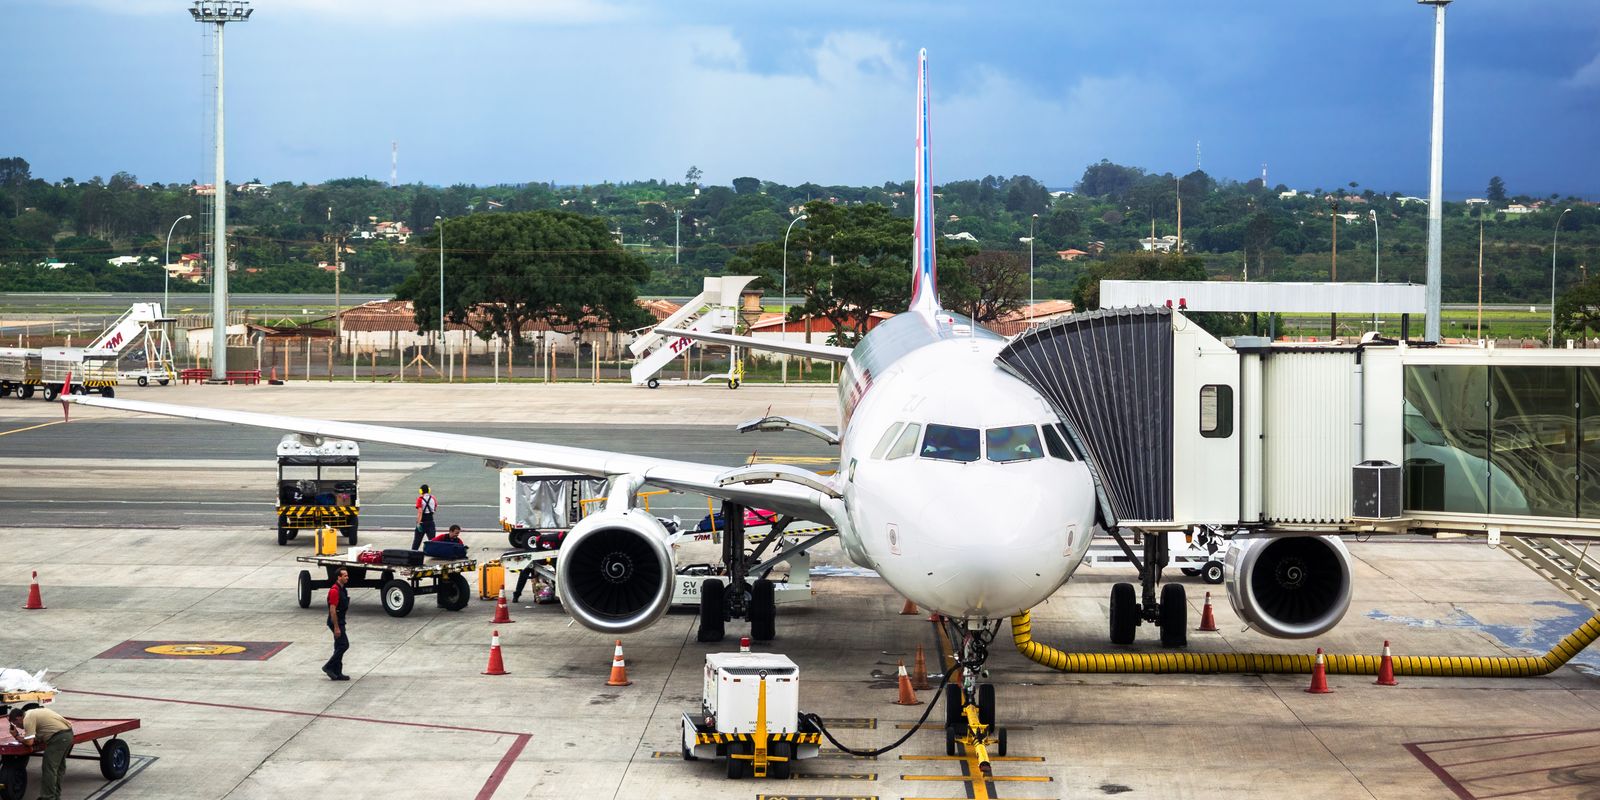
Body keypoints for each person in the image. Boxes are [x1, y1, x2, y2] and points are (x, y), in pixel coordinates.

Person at [8, 706, 73, 800]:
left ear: (18, 718)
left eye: (16, 724)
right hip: (67, 735)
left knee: (49, 768)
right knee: (58, 768)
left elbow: (29, 742)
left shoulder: (27, 719)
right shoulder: (31, 712)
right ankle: (55, 796)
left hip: (59, 738)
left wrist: (17, 736)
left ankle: (48, 797)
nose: (18, 726)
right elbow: (40, 732)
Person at [323, 567, 350, 681]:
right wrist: (336, 627)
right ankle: (328, 666)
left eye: (347, 575)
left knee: (338, 646)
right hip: (336, 621)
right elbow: (332, 610)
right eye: (345, 576)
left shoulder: (343, 589)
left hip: (340, 620)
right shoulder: (334, 590)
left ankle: (337, 672)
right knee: (344, 645)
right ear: (339, 577)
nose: (347, 577)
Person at [411, 484, 438, 549]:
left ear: (421, 491)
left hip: (422, 522)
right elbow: (434, 509)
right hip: (431, 521)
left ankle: (413, 554)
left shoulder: (420, 499)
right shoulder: (433, 498)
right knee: (432, 541)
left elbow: (420, 512)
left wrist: (418, 523)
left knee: (417, 542)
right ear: (429, 490)